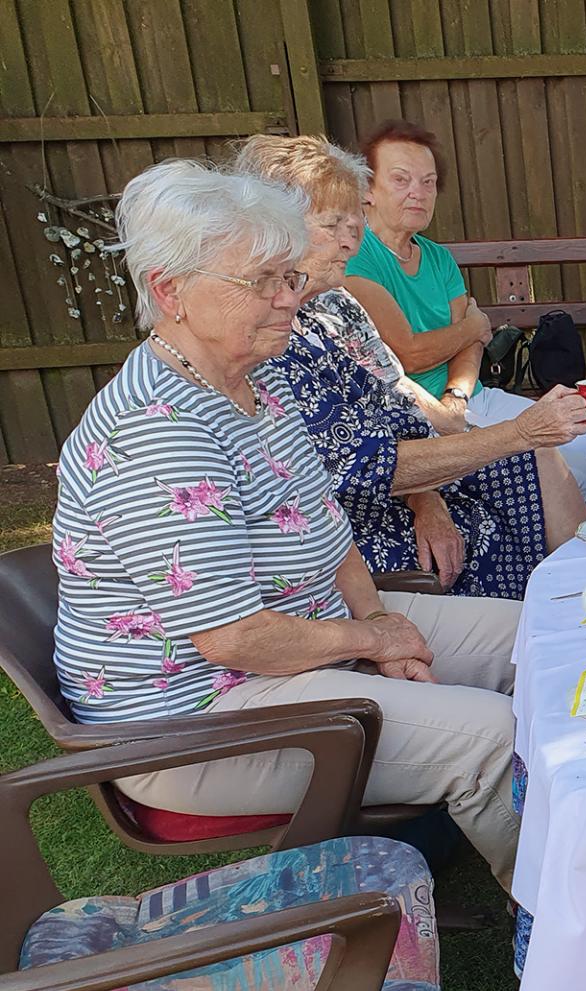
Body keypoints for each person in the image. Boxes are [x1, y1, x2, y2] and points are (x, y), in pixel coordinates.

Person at [51, 160, 524, 890]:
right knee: (493, 738)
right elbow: (234, 638)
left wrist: (376, 620)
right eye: (262, 282)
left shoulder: (256, 378)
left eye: (289, 276)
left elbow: (329, 533)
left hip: (305, 633)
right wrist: (372, 640)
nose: (287, 299)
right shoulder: (154, 431)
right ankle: (567, 930)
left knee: (543, 637)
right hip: (202, 716)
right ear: (168, 291)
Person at [236, 134, 586, 598]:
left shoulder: (336, 305)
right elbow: (366, 465)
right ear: (277, 230)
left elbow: (400, 397)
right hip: (354, 531)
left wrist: (431, 494)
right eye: (334, 223)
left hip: (408, 481)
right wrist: (517, 432)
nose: (352, 237)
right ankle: (553, 617)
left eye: (354, 220)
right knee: (527, 470)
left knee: (541, 460)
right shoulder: (266, 338)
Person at [345, 120, 586, 506]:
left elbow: (473, 344)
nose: (418, 192)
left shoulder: (438, 257)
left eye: (428, 182)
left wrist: (458, 392)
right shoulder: (356, 257)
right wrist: (470, 326)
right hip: (420, 417)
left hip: (465, 398)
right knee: (574, 479)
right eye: (401, 179)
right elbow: (409, 352)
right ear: (367, 189)